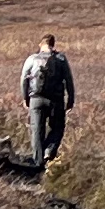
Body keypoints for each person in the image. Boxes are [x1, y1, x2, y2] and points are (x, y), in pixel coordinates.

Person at [17, 35, 75, 171]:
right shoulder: (61, 59)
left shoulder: (31, 59)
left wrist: (25, 98)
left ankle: (38, 165)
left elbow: (23, 80)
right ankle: (49, 151)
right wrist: (71, 99)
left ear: (40, 44)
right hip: (56, 100)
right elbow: (68, 80)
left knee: (37, 130)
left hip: (36, 99)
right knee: (58, 128)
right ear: (53, 45)